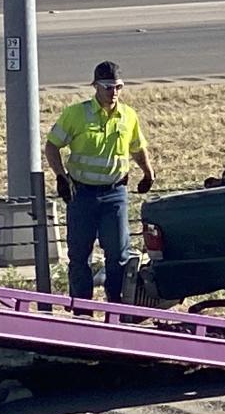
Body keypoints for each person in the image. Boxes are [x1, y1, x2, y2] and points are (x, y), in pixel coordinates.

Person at [45, 61, 156, 305]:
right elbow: (52, 146)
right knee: (79, 256)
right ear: (95, 86)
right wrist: (61, 176)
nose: (113, 92)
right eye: (107, 86)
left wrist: (148, 172)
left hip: (115, 194)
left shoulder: (128, 115)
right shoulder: (76, 114)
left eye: (118, 86)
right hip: (82, 194)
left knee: (118, 255)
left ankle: (115, 306)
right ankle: (81, 309)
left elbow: (137, 148)